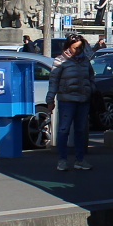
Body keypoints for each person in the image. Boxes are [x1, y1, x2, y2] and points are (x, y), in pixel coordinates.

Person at [46, 34, 96, 171]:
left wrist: (91, 89)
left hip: (83, 99)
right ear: (68, 47)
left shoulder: (85, 60)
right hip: (67, 100)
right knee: (64, 130)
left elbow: (91, 76)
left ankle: (80, 160)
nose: (78, 51)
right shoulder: (60, 61)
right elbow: (53, 82)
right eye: (75, 48)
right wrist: (50, 100)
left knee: (80, 130)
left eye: (80, 48)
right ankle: (62, 160)